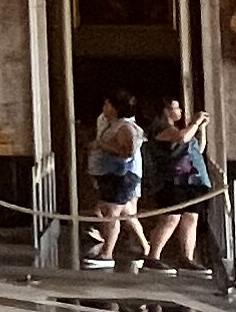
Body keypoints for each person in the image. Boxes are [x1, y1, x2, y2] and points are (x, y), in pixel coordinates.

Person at [143, 97, 216, 269]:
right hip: (172, 180)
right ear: (166, 111)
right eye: (176, 108)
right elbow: (182, 139)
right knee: (171, 217)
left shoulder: (181, 129)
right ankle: (153, 255)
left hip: (191, 179)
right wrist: (195, 123)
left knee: (191, 217)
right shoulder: (162, 130)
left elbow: (197, 148)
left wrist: (201, 128)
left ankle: (186, 257)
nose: (180, 111)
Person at [83, 94, 145, 270]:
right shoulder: (112, 124)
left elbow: (128, 152)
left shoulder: (125, 127)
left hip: (122, 176)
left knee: (111, 213)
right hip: (112, 175)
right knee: (116, 211)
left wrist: (103, 147)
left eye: (107, 104)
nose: (104, 106)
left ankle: (107, 253)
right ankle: (145, 248)